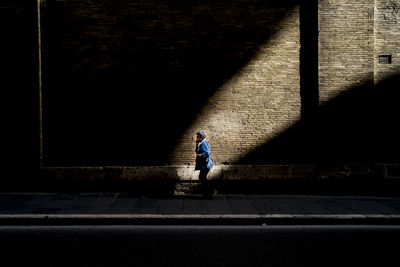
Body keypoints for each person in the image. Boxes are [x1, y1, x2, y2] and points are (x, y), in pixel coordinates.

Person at [195, 130, 217, 199]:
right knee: (202, 178)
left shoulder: (204, 143)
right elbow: (196, 151)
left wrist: (200, 155)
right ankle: (206, 193)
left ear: (201, 137)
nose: (196, 137)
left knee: (202, 178)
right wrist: (196, 144)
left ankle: (212, 191)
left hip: (206, 164)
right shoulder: (201, 143)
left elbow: (206, 153)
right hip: (204, 164)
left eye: (197, 136)